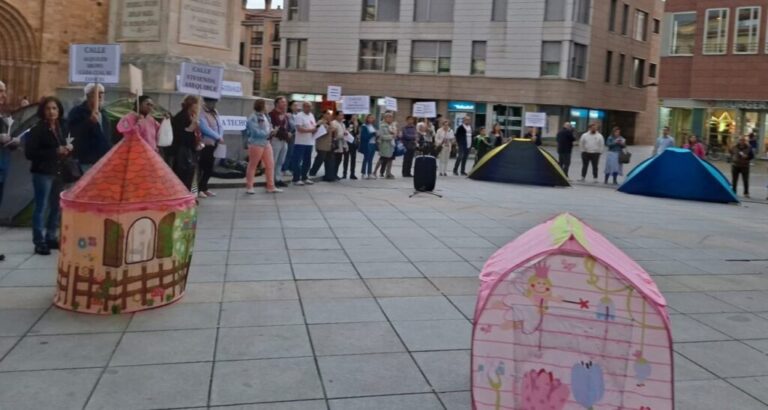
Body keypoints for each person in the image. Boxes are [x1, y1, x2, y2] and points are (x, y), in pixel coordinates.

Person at [25, 97, 70, 255]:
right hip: (42, 172)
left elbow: (64, 145)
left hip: (58, 171)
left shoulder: (60, 127)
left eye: (54, 108)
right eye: (48, 108)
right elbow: (30, 153)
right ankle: (39, 241)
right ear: (43, 111)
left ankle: (51, 236)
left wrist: (66, 149)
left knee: (56, 207)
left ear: (59, 111)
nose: (51, 111)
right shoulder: (38, 129)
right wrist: (55, 151)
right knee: (41, 207)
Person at [68, 83, 112, 172]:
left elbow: (107, 135)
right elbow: (73, 133)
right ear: (88, 96)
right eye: (95, 93)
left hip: (103, 159)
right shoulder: (77, 112)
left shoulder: (103, 113)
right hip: (86, 160)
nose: (99, 96)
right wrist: (89, 122)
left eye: (102, 93)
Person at [244, 99, 282, 194]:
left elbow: (268, 126)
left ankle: (270, 186)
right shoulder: (253, 117)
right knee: (253, 165)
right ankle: (249, 186)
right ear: (261, 106)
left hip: (266, 143)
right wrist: (268, 132)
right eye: (266, 105)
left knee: (270, 164)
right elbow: (255, 131)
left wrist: (273, 130)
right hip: (256, 143)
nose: (268, 107)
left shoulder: (265, 116)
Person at [170, 95, 203, 191]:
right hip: (182, 151)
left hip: (191, 150)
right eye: (197, 104)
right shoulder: (181, 117)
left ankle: (187, 194)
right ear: (191, 105)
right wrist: (190, 129)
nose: (198, 107)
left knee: (190, 174)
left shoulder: (192, 116)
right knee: (183, 174)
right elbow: (179, 136)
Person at [197, 97, 224, 198]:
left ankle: (205, 187)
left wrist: (220, 136)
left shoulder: (215, 112)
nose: (213, 104)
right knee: (203, 167)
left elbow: (220, 125)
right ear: (206, 102)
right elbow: (204, 128)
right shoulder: (201, 112)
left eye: (214, 102)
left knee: (210, 168)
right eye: (212, 102)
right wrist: (217, 136)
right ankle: (199, 189)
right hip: (206, 143)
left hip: (215, 143)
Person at [291, 102, 317, 186]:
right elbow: (299, 129)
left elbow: (314, 126)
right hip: (300, 142)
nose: (309, 108)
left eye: (310, 106)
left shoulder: (311, 115)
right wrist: (310, 130)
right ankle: (296, 178)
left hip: (309, 141)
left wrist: (316, 130)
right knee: (298, 161)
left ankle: (305, 177)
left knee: (307, 161)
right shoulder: (299, 116)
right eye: (307, 107)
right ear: (303, 107)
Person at [269, 96, 291, 188]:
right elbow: (276, 126)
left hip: (284, 140)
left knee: (280, 161)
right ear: (277, 103)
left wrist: (288, 133)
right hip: (276, 139)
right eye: (282, 102)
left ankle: (278, 178)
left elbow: (287, 126)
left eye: (285, 102)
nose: (285, 104)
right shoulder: (272, 114)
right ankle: (271, 179)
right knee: (274, 159)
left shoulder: (285, 115)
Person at [309, 111, 335, 181]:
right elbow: (318, 131)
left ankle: (329, 174)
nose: (329, 116)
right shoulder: (320, 122)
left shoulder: (330, 122)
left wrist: (330, 126)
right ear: (323, 114)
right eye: (327, 114)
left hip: (328, 144)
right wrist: (328, 129)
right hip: (321, 144)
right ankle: (313, 171)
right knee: (320, 159)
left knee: (329, 159)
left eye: (330, 114)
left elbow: (332, 130)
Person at [375, 111, 396, 179]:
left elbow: (395, 134)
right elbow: (382, 136)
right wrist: (391, 136)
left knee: (390, 159)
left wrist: (395, 134)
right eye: (388, 117)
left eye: (391, 117)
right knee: (382, 159)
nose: (390, 118)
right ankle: (374, 171)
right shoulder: (382, 125)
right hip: (384, 145)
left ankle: (388, 173)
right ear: (385, 118)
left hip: (391, 145)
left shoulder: (392, 125)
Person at [282, 100, 299, 176]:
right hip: (290, 136)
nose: (296, 107)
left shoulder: (297, 115)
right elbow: (292, 126)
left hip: (296, 136)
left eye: (297, 106)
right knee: (289, 153)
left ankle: (291, 168)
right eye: (294, 105)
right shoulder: (288, 115)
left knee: (293, 153)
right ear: (290, 106)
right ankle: (285, 169)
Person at [330, 111, 348, 181]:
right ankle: (332, 174)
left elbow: (344, 134)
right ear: (336, 116)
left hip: (341, 145)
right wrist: (343, 135)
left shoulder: (343, 124)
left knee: (339, 160)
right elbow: (335, 135)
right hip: (336, 144)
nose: (341, 117)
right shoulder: (334, 123)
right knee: (334, 160)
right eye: (340, 115)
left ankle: (335, 174)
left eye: (342, 115)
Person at [359, 114, 377, 179]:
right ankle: (363, 173)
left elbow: (374, 134)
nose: (371, 119)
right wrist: (373, 134)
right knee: (366, 159)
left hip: (373, 144)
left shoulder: (372, 126)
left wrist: (377, 135)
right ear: (367, 119)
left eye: (372, 118)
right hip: (367, 144)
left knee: (370, 159)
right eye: (370, 118)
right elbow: (364, 137)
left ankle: (369, 173)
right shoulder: (364, 126)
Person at [342, 115, 359, 179]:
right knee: (346, 159)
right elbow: (344, 131)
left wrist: (355, 126)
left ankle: (352, 174)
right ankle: (344, 174)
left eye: (355, 116)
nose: (354, 118)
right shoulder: (345, 122)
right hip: (346, 142)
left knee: (353, 159)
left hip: (353, 143)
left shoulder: (356, 123)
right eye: (353, 116)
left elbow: (356, 133)